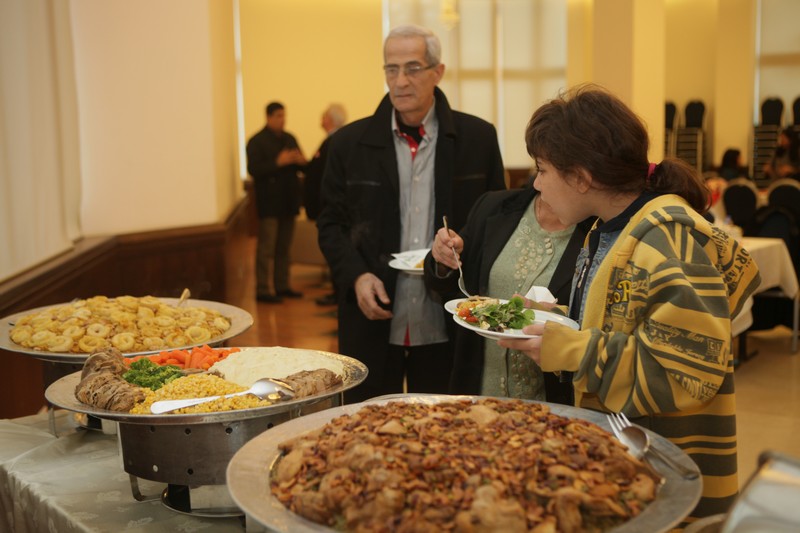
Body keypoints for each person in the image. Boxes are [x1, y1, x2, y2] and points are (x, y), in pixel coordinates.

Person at [499, 85, 761, 521]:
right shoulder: (607, 229)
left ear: (582, 177)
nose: (536, 183)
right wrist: (559, 322)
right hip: (630, 454)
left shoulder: (665, 240)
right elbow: (624, 325)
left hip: (666, 469)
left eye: (542, 169)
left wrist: (567, 348)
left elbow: (685, 373)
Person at [317, 24, 506, 404]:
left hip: (447, 315)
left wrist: (462, 243)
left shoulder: (478, 139)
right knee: (367, 424)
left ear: (438, 72)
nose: (400, 81)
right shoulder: (348, 145)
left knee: (443, 427)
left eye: (413, 68)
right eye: (391, 68)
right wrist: (355, 276)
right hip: (373, 314)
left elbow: (495, 221)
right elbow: (330, 224)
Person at [423, 185, 594, 404]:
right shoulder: (495, 206)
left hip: (551, 403)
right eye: (539, 167)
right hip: (477, 394)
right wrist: (443, 258)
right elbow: (449, 280)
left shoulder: (598, 228)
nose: (538, 183)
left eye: (545, 170)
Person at [246, 102, 307, 303]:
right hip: (269, 204)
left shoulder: (290, 138)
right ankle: (263, 289)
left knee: (284, 248)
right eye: (279, 116)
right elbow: (254, 170)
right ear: (269, 117)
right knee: (267, 248)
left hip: (289, 202)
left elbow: (304, 167)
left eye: (284, 115)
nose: (283, 119)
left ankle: (282, 286)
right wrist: (277, 163)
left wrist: (300, 161)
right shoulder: (256, 141)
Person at [303, 103, 347, 307]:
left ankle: (339, 293)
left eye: (323, 116)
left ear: (330, 119)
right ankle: (336, 291)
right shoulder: (334, 140)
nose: (320, 120)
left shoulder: (335, 141)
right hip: (325, 206)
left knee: (336, 248)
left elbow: (324, 176)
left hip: (330, 207)